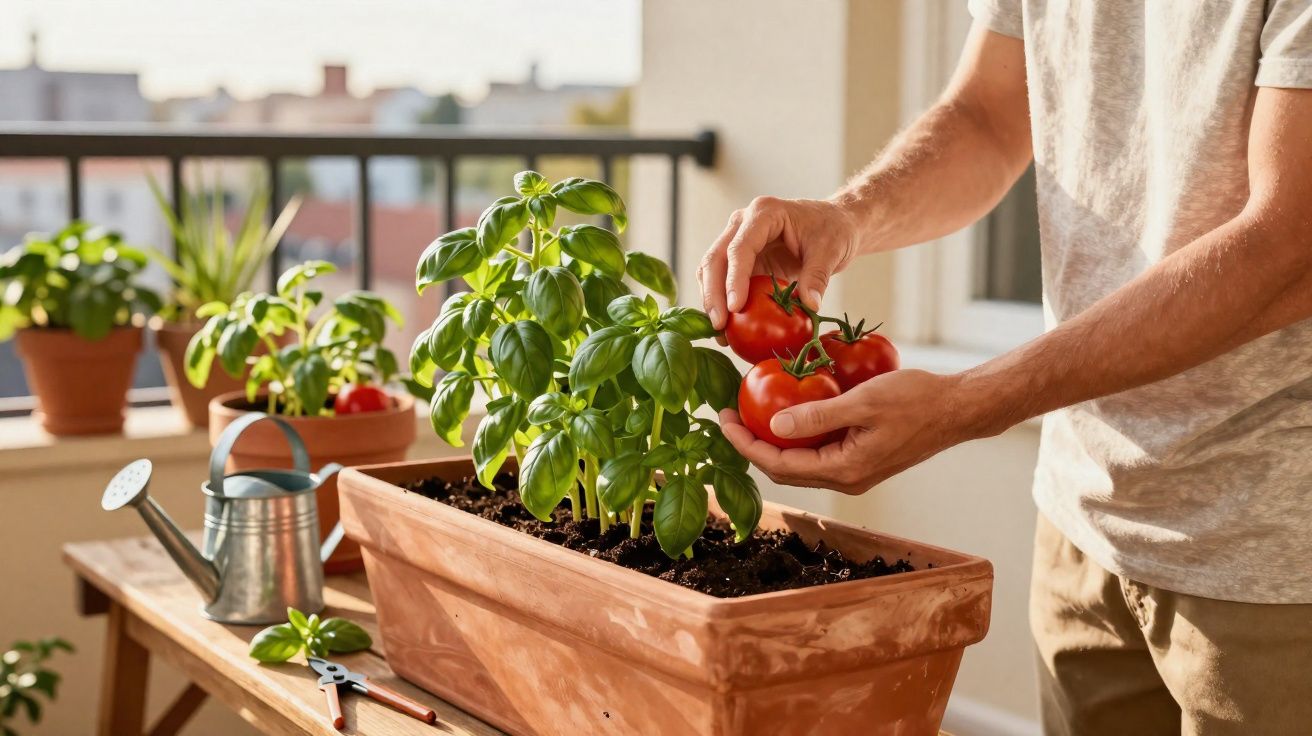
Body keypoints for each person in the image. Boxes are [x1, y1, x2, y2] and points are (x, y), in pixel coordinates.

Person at [698, 2, 1312, 734]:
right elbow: (987, 117)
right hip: (1082, 516)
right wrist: (848, 217)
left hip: (1270, 550)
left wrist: (969, 403)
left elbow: (1291, 243)